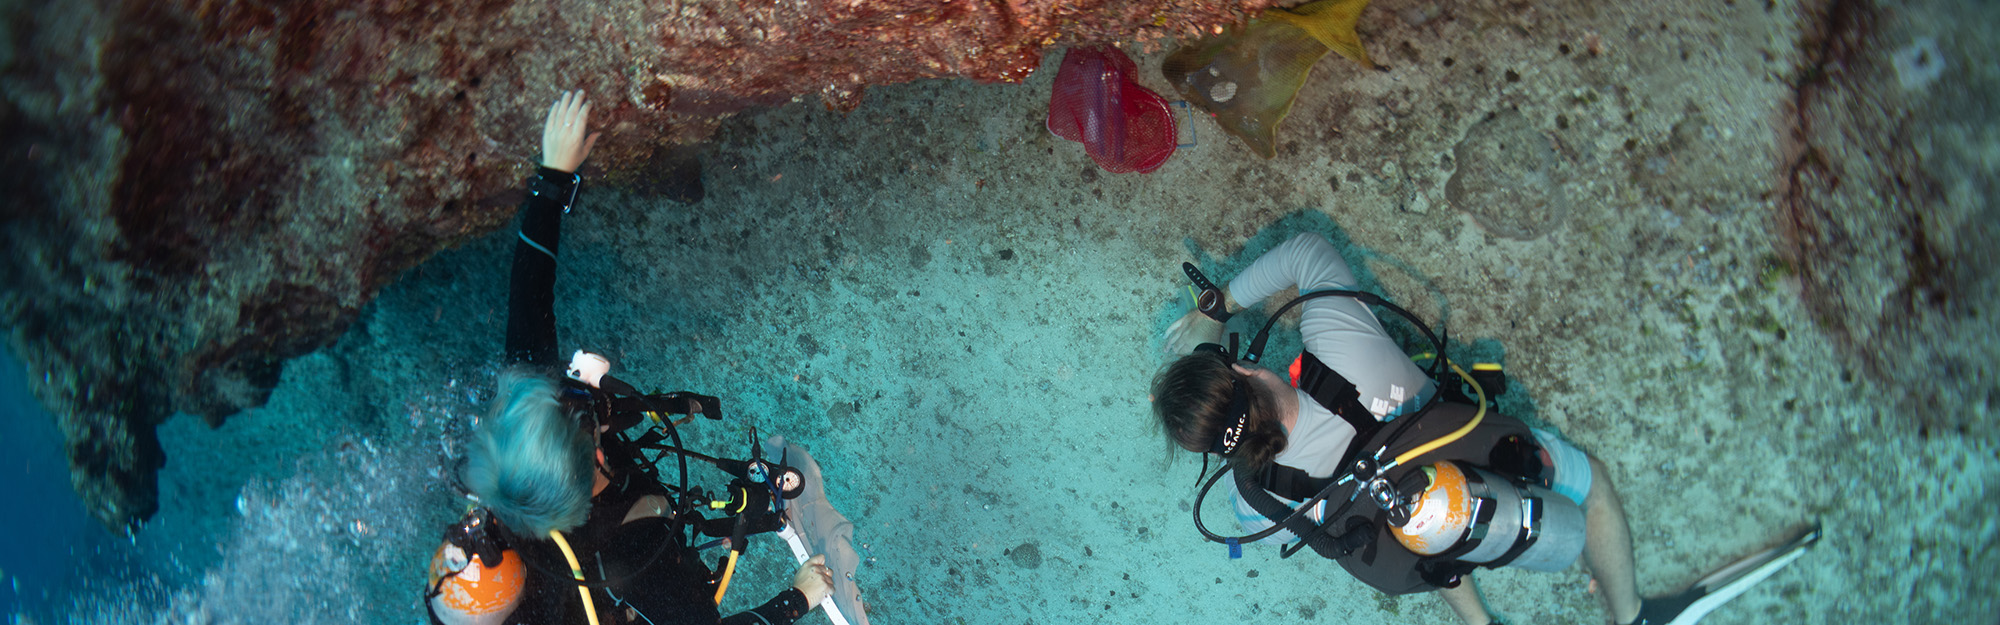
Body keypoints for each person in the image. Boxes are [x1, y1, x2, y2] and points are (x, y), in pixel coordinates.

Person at [1154, 232, 1813, 625]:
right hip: (1484, 463)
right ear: (1238, 362)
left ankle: (1478, 622)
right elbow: (1305, 251)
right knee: (1591, 483)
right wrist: (1218, 304)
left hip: (1425, 540)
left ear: (1216, 447)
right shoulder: (1339, 342)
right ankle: (1631, 612)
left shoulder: (1252, 498)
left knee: (1421, 518)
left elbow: (1293, 530)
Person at [423, 91, 835, 625]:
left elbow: (528, 294)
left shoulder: (527, 421)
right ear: (595, 462)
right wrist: (797, 597)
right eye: (584, 409)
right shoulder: (630, 556)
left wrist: (554, 176)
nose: (588, 384)